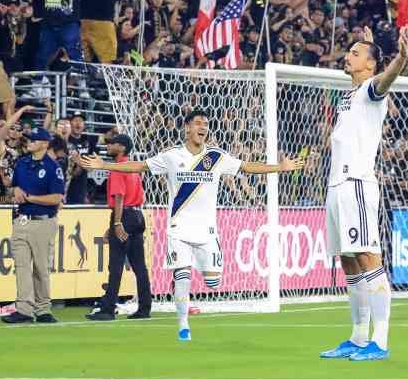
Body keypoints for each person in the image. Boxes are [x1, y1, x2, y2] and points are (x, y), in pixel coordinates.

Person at [80, 111, 304, 342]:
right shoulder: (171, 155)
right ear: (187, 128)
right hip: (178, 229)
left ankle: (190, 274)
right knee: (183, 276)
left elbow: (247, 167)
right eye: (198, 123)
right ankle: (183, 325)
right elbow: (140, 166)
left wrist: (280, 167)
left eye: (206, 124)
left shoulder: (216, 157)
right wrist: (104, 164)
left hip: (207, 232)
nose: (203, 127)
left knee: (213, 282)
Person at [318, 25, 408, 362]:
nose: (348, 55)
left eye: (356, 53)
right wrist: (369, 44)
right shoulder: (349, 94)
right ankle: (357, 338)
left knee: (369, 257)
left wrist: (400, 58)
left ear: (370, 65)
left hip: (356, 183)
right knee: (349, 261)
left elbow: (385, 81)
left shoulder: (373, 89)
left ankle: (380, 341)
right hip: (336, 185)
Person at [2, 128, 66, 325]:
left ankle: (43, 308)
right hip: (21, 219)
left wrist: (31, 197)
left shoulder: (52, 167)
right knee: (21, 266)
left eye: (34, 139)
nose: (29, 142)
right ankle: (24, 308)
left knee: (41, 268)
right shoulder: (22, 163)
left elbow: (57, 198)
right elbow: (12, 186)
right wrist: (15, 189)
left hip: (43, 221)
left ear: (45, 144)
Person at [86, 133, 151, 321]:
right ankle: (145, 308)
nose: (108, 145)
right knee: (140, 266)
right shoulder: (133, 168)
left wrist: (117, 222)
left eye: (112, 143)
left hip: (124, 215)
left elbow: (119, 197)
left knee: (115, 264)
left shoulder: (117, 169)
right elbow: (141, 196)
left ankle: (108, 309)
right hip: (138, 215)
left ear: (121, 147)